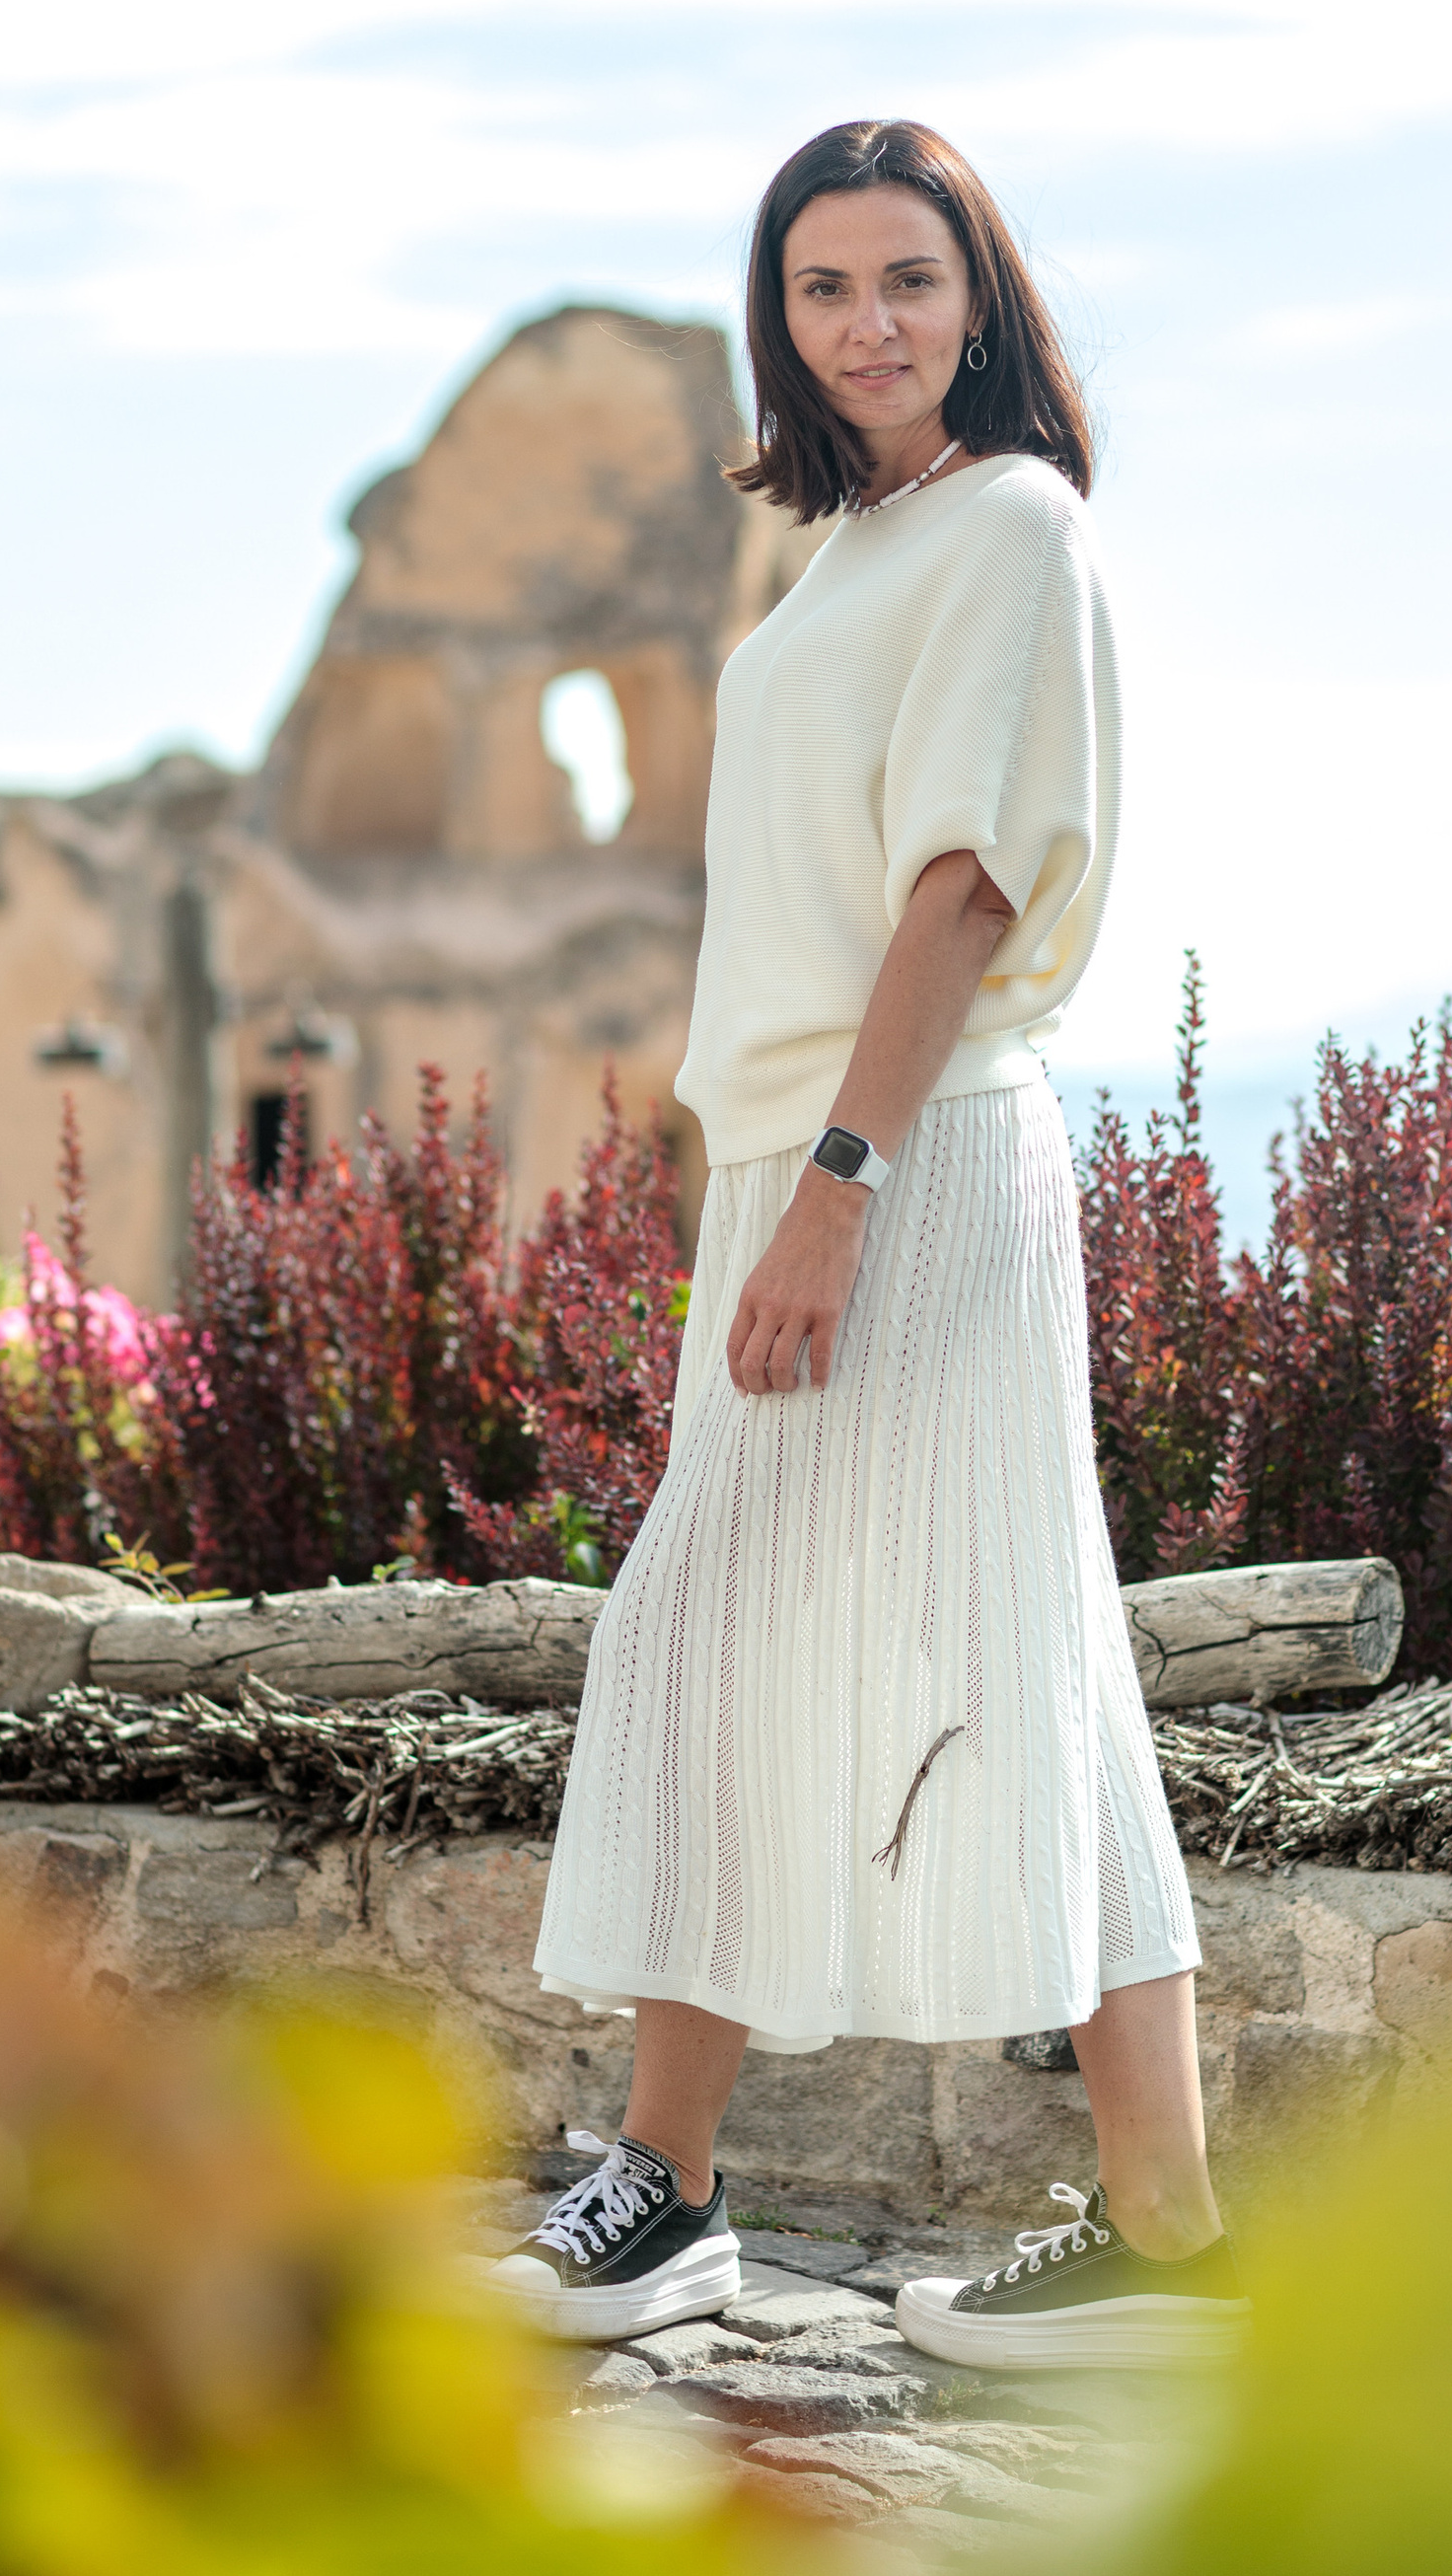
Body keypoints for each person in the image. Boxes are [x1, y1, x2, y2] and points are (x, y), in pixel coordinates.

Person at [494, 118, 1243, 2371]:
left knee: (718, 1633)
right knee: (986, 1646)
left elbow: (968, 887)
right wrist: (785, 1176)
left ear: (978, 295)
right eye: (822, 287)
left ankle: (668, 2192)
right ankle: (1166, 2236)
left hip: (900, 1160)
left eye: (909, 277)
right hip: (819, 1158)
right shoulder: (853, 546)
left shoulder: (1010, 524)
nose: (867, 322)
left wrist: (835, 1185)